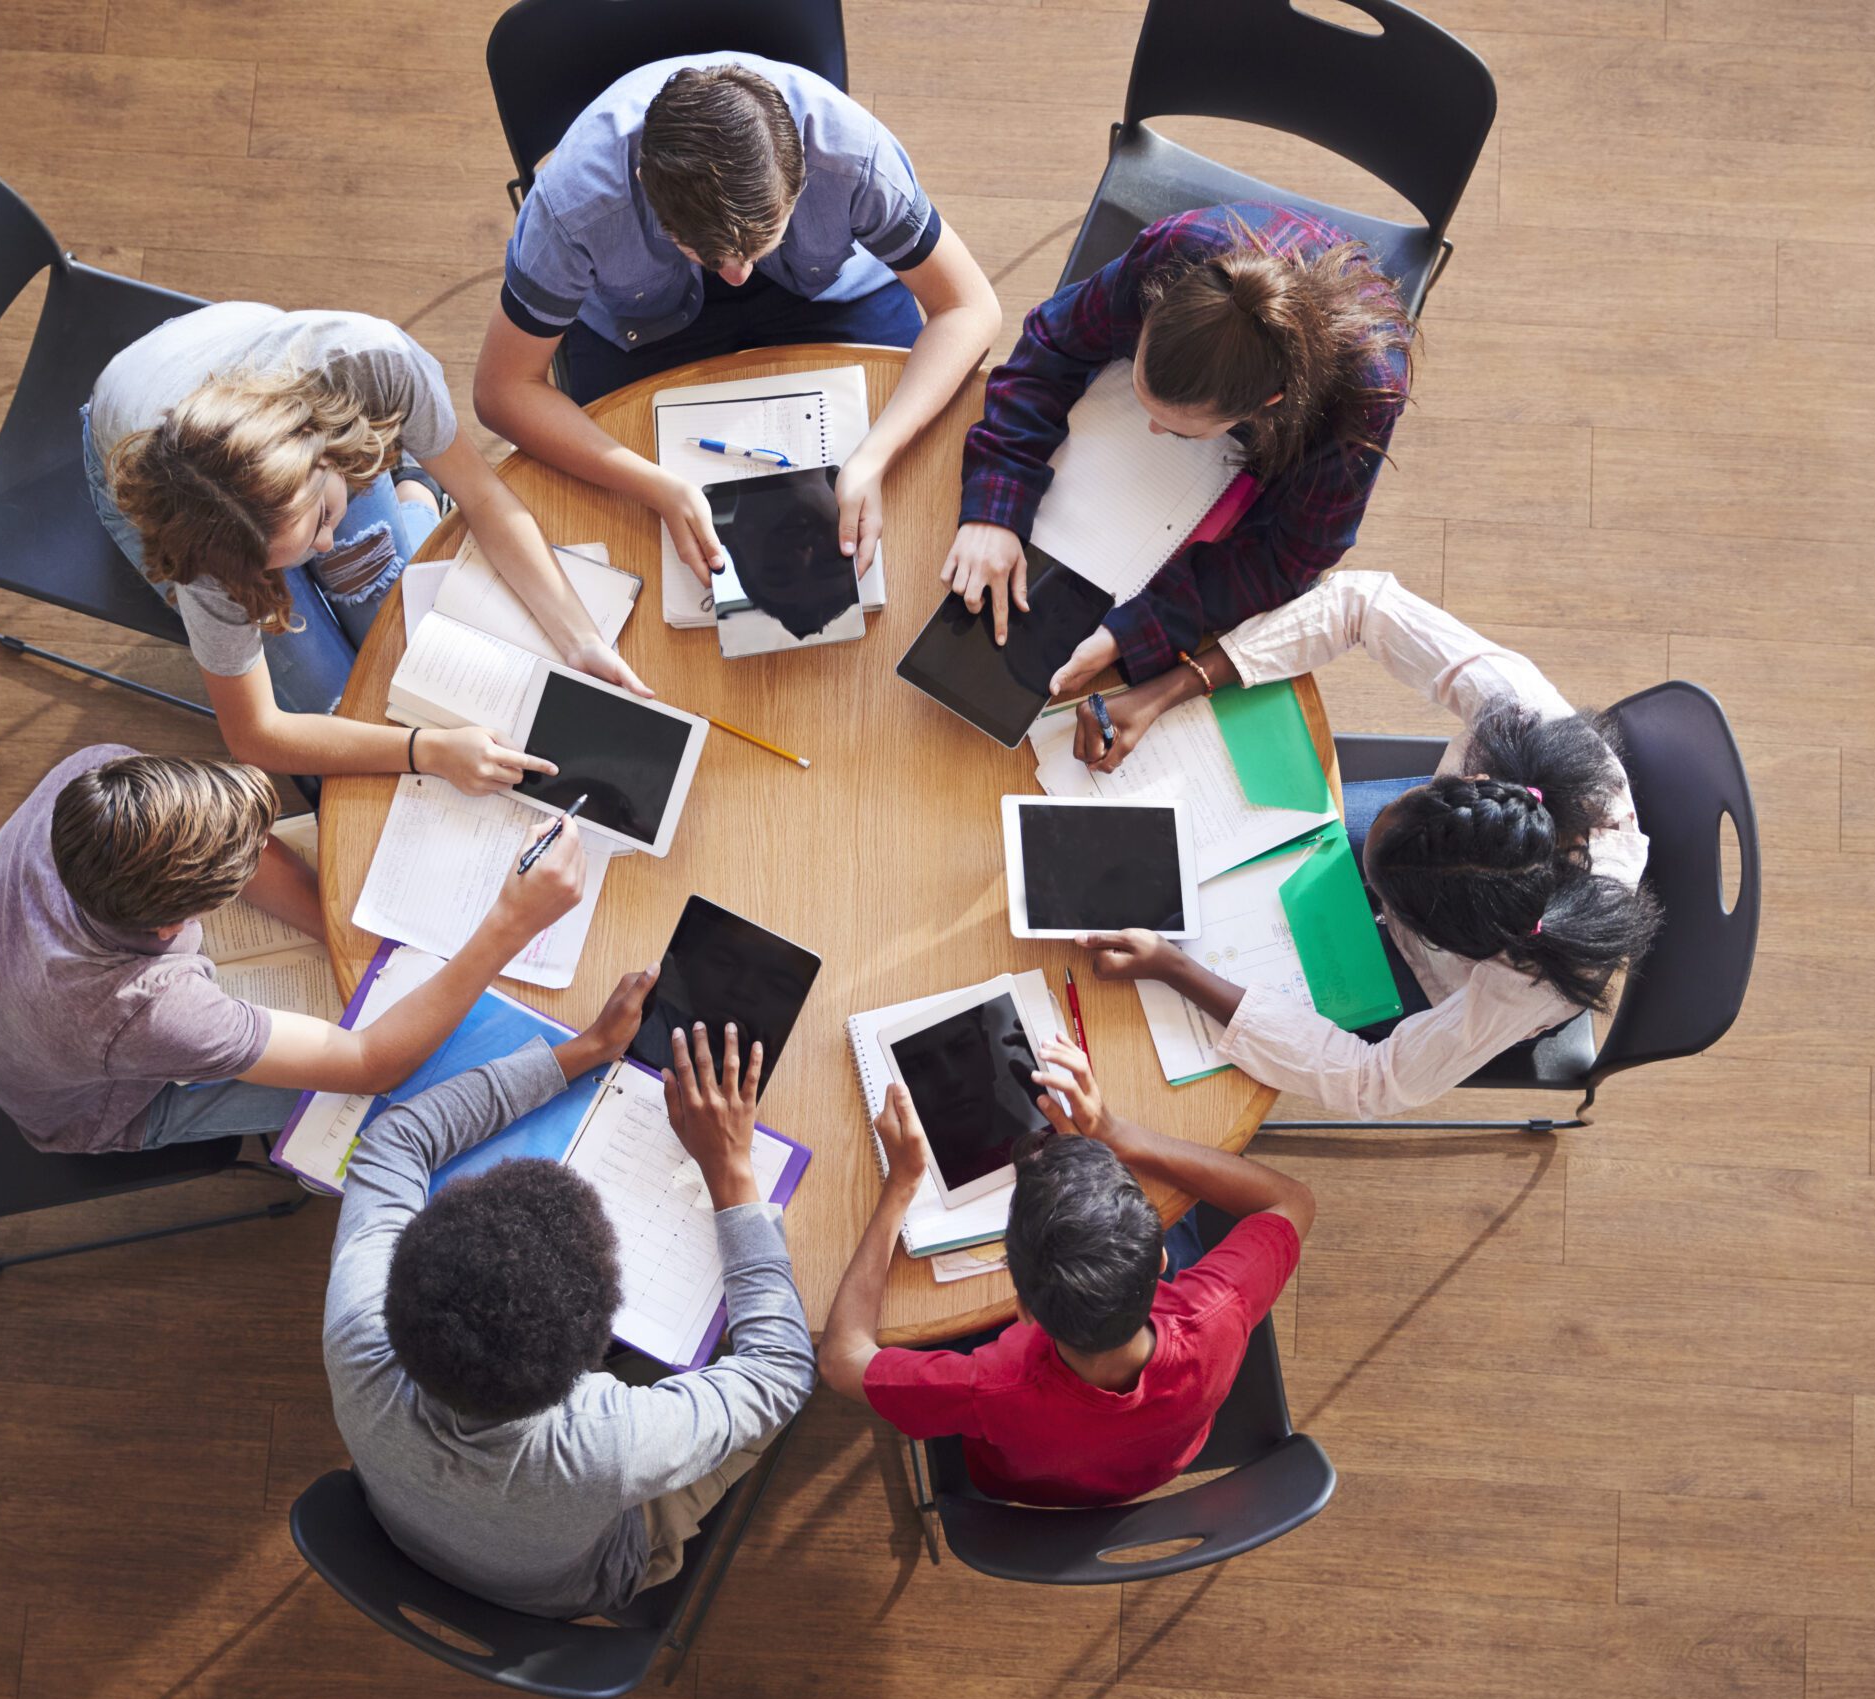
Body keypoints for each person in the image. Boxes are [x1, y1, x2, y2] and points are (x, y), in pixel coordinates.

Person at [1076, 570, 1662, 1119]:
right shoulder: (1523, 719)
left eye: (1383, 901)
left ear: (1450, 941)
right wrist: (1173, 688)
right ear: (1475, 783)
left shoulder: (1526, 984)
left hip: (1443, 977)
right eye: (1390, 810)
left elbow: (1372, 1081)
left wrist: (1177, 969)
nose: (1360, 882)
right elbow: (1363, 603)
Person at [325, 1018, 814, 1618]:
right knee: (761, 1404)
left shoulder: (357, 1337)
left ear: (394, 1285)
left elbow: (392, 1141)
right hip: (578, 1582)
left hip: (405, 1528)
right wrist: (733, 1172)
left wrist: (579, 1053)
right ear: (594, 1357)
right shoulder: (607, 1443)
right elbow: (783, 1371)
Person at [474, 55, 1000, 584]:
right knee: (631, 544)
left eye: (757, 248)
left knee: (917, 499)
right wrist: (656, 486)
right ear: (644, 185)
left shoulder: (850, 153)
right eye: (704, 254)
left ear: (802, 176)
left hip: (828, 293)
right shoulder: (573, 209)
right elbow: (502, 390)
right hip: (642, 322)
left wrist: (873, 455)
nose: (737, 278)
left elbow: (969, 307)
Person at [87, 301, 649, 785]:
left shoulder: (371, 362)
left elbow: (484, 498)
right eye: (283, 561)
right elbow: (255, 734)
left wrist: (580, 640)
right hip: (140, 458)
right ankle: (402, 495)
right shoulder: (203, 544)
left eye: (327, 517)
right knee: (340, 705)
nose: (327, 548)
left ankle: (416, 491)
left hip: (254, 368)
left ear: (321, 452)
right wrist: (420, 751)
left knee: (398, 624)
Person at [0, 745, 589, 1153]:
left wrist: (359, 949)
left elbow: (239, 847)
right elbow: (371, 1063)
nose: (254, 853)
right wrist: (509, 925)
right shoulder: (143, 1012)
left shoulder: (96, 781)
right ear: (171, 928)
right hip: (85, 1109)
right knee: (414, 1089)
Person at [818, 1036, 1313, 1507]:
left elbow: (841, 1360)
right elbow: (1293, 1200)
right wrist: (1119, 1138)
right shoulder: (1215, 1312)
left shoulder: (989, 1387)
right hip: (1162, 1456)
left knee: (927, 1318)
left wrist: (900, 1188)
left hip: (1022, 1483)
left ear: (1020, 1309)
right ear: (1159, 1259)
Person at [944, 203, 1411, 669]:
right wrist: (997, 509)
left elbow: (1290, 559)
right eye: (1138, 388)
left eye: (1180, 431)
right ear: (1151, 311)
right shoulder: (1174, 251)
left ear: (1267, 404)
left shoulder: (1368, 393)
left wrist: (1139, 629)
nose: (1152, 431)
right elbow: (1052, 345)